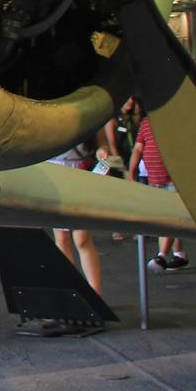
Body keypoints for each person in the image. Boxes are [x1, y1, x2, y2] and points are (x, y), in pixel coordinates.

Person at [51, 123, 120, 293]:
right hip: (54, 175)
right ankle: (70, 290)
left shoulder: (86, 119)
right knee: (62, 238)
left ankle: (95, 292)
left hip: (79, 174)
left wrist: (102, 150)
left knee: (81, 238)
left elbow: (102, 141)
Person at [129, 101, 186, 270]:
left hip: (173, 179)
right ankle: (177, 254)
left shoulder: (175, 123)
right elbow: (138, 149)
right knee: (166, 218)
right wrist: (132, 172)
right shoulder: (147, 123)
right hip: (154, 179)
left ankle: (161, 256)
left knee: (170, 218)